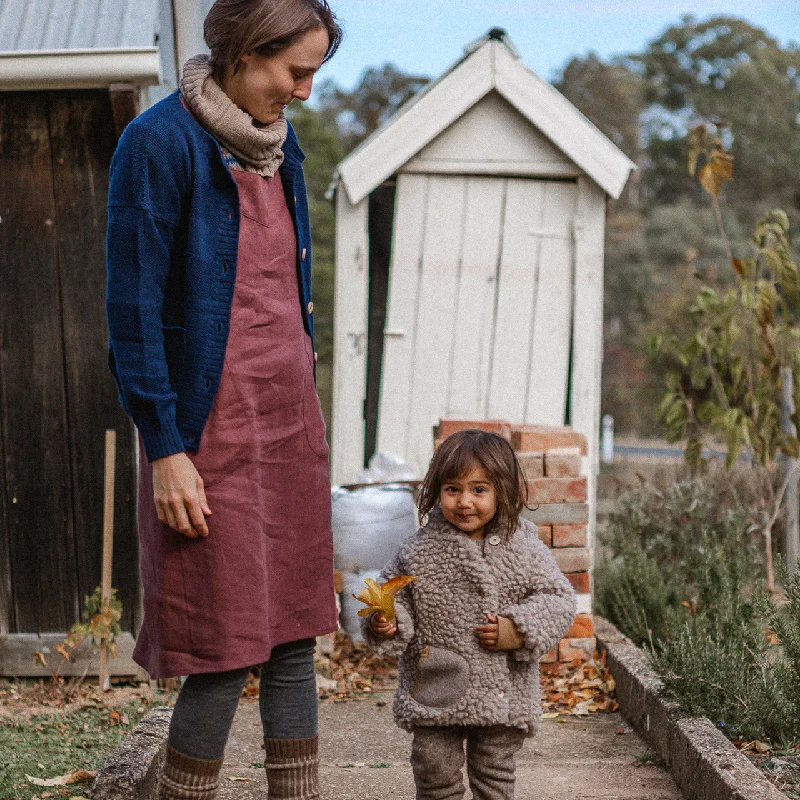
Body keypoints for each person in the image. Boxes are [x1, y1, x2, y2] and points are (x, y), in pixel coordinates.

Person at [105, 2, 342, 798]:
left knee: (294, 639)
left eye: (314, 73)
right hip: (208, 436)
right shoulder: (159, 144)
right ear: (244, 52)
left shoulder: (281, 147)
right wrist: (165, 449)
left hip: (288, 424)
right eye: (294, 71)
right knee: (222, 648)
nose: (303, 92)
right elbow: (132, 313)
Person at [361, 430, 576, 800]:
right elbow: (391, 594)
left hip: (503, 691)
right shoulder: (419, 551)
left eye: (479, 490)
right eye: (453, 489)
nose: (464, 502)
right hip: (437, 684)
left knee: (494, 775)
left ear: (502, 491)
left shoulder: (522, 546)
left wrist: (516, 629)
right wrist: (387, 621)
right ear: (437, 491)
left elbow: (559, 600)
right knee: (433, 770)